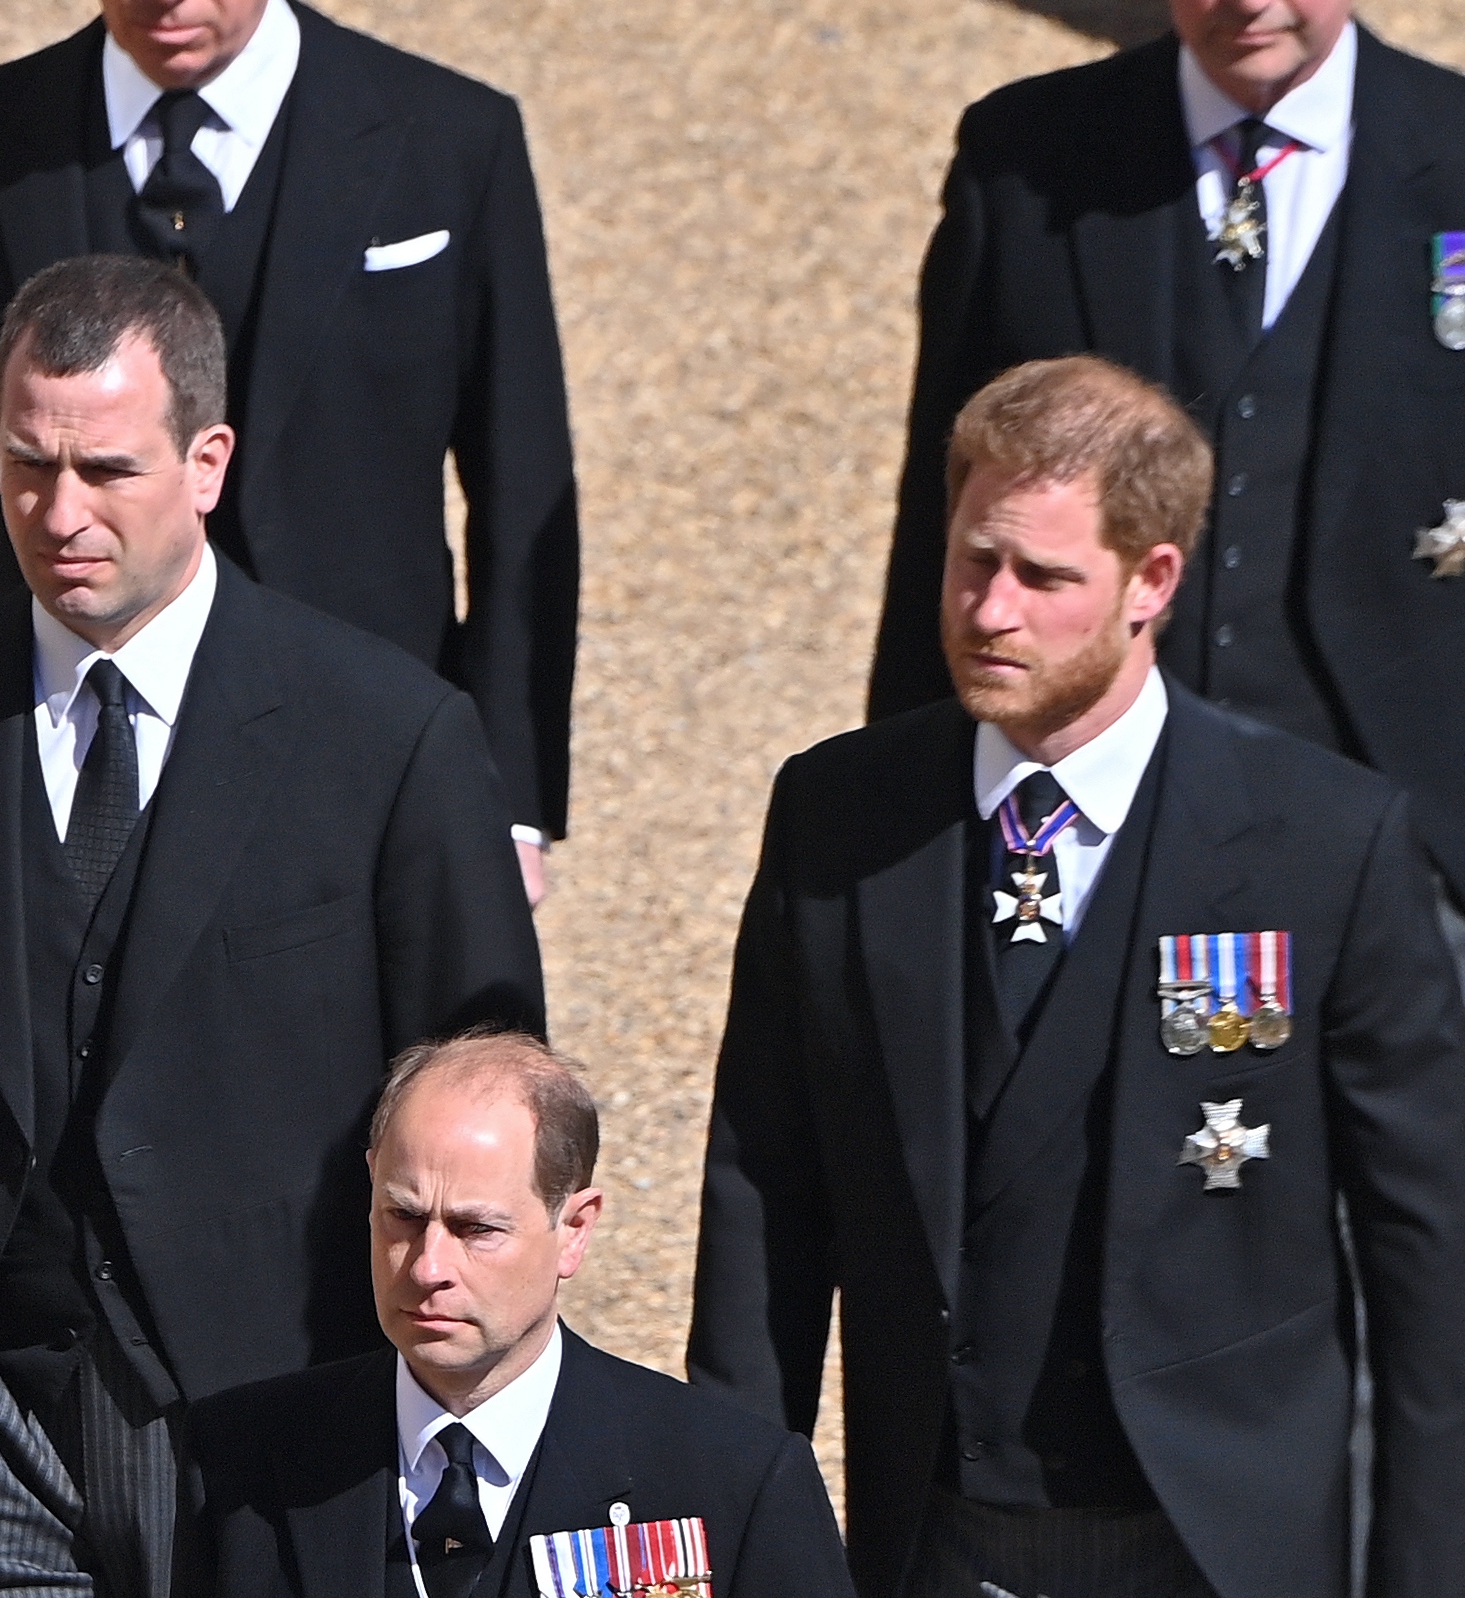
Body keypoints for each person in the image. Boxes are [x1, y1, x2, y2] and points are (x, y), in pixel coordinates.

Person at [0, 254, 543, 1597]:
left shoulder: (391, 735)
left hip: (273, 1409)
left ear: (207, 460)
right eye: (26, 463)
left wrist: (473, 1407)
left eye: (108, 470)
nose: (58, 512)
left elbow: (487, 1097)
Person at [695, 356, 1465, 1598]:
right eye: (970, 559)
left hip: (1218, 1542)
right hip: (933, 1532)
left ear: (1149, 578)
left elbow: (1424, 1251)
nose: (987, 609)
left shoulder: (1325, 842)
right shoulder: (839, 816)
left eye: (1042, 577)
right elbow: (762, 1191)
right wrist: (735, 1526)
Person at [0, 0, 578, 900]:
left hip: (359, 743)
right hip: (49, 735)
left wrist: (506, 800)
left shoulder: (450, 134)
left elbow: (521, 482)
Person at [865, 0, 1465, 985]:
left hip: (1411, 817)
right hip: (1080, 804)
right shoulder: (1029, 154)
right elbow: (946, 504)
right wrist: (896, 803)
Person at [181, 1030, 851, 1598]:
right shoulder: (241, 1459)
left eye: (477, 1229)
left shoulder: (730, 1481)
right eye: (404, 1218)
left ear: (575, 1230)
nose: (426, 1266)